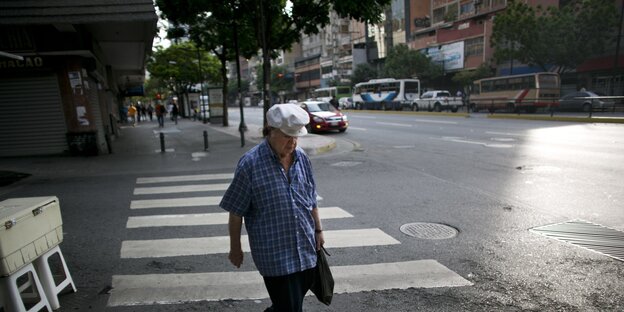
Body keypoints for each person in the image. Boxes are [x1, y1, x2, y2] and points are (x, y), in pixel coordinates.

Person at [220, 103, 324, 312]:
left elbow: (310, 197)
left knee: (290, 304)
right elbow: (236, 211)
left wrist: (318, 230)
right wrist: (235, 248)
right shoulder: (250, 164)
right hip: (274, 255)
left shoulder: (301, 158)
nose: (293, 143)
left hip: (305, 249)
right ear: (270, 131)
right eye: (287, 137)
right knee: (289, 308)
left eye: (296, 137)